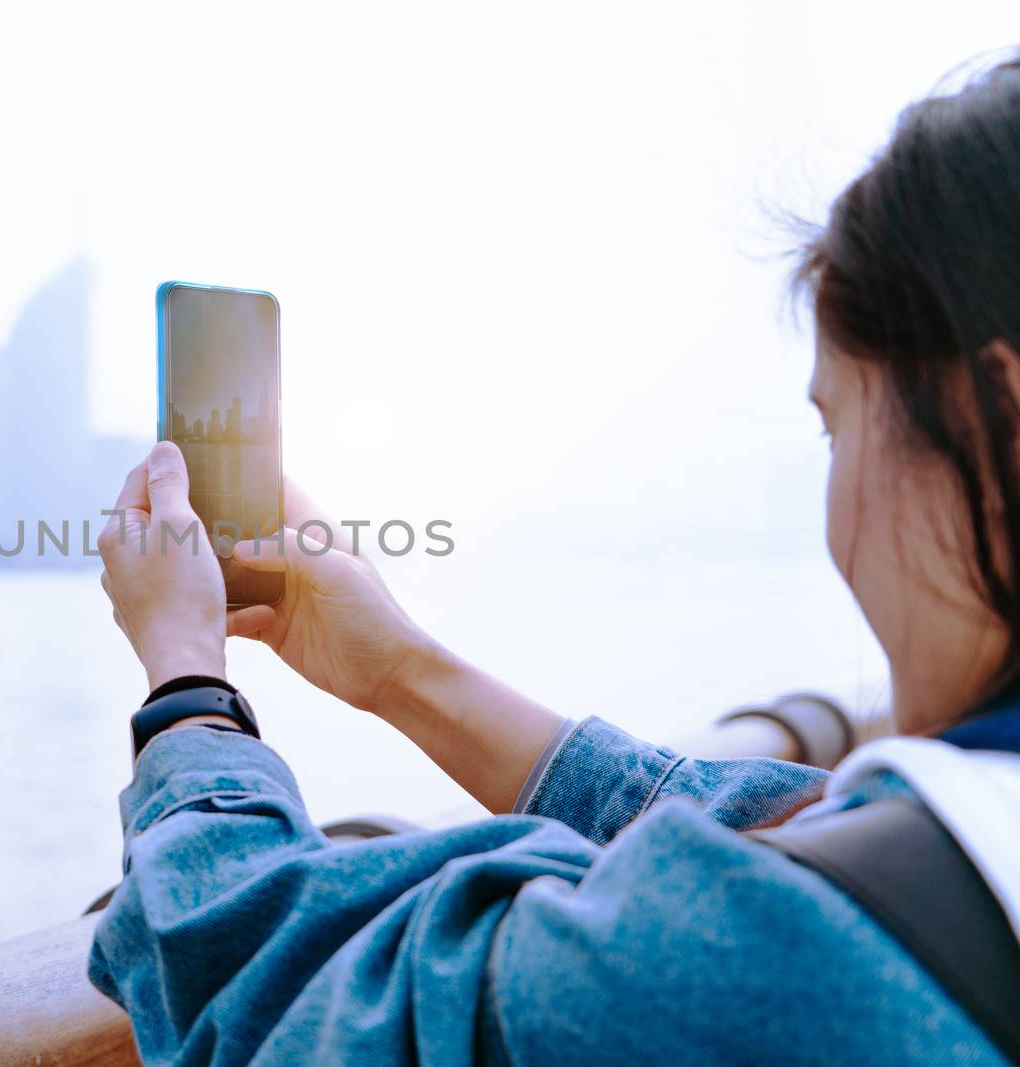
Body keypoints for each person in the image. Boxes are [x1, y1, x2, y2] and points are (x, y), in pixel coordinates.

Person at [92, 54, 1020, 1066]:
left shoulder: (776, 949)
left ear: (999, 418)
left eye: (834, 431)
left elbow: (264, 999)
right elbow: (800, 824)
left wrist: (185, 682)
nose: (834, 512)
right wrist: (400, 669)